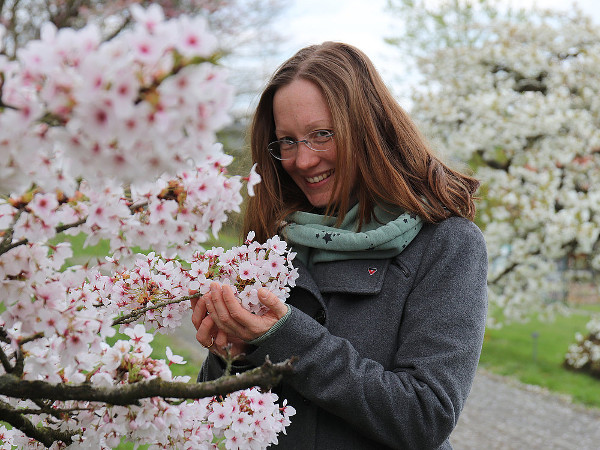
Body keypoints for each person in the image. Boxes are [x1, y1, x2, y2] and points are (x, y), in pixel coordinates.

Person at [191, 41, 488, 449]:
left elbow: (426, 416)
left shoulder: (446, 243)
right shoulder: (273, 243)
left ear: (368, 129)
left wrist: (286, 337)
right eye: (288, 142)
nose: (303, 160)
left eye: (321, 135)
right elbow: (217, 414)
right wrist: (232, 354)